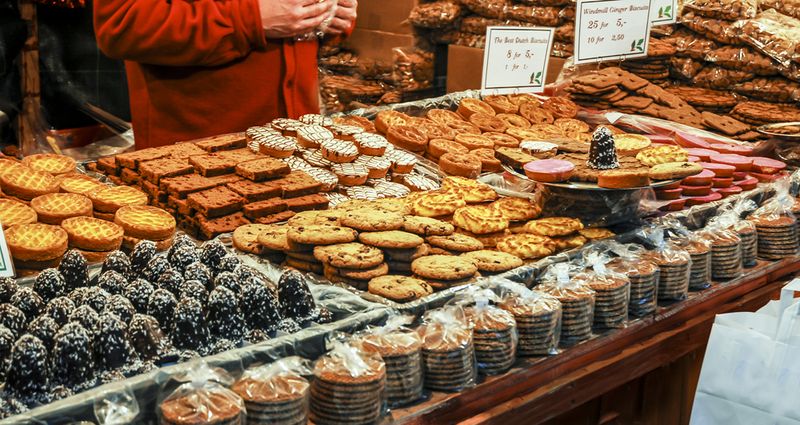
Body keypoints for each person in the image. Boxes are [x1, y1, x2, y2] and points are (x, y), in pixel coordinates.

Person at [93, 0, 357, 149]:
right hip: (199, 162)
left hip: (300, 145)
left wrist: (331, 14)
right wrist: (249, 20)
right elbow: (122, 24)